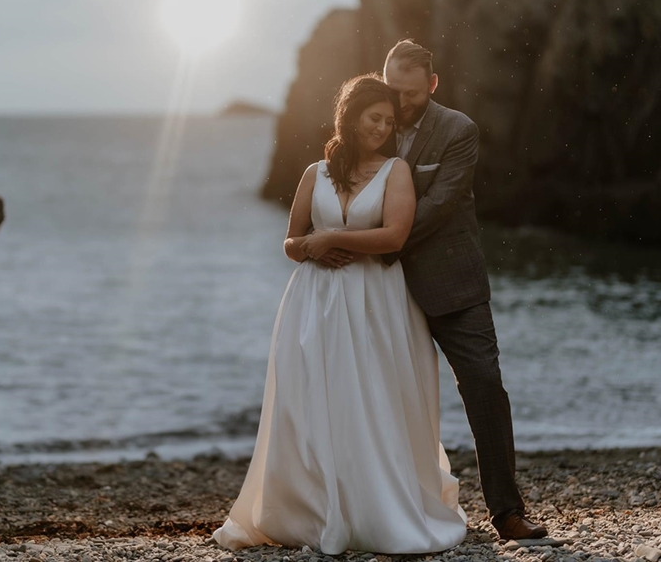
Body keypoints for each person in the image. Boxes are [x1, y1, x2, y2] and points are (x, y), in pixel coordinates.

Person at [212, 75, 467, 555]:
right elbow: (291, 243)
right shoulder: (315, 173)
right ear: (350, 118)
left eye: (389, 122)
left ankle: (374, 507)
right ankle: (311, 507)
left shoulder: (396, 171)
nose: (382, 128)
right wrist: (312, 248)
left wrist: (331, 239)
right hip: (314, 302)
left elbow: (394, 236)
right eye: (374, 118)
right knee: (312, 399)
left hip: (375, 304)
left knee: (370, 397)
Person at [373, 39, 548, 541]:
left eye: (409, 93)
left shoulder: (458, 130)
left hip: (453, 282)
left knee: (485, 388)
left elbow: (442, 203)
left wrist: (379, 245)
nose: (399, 103)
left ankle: (507, 512)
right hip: (382, 289)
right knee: (376, 395)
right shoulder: (372, 124)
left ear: (431, 85)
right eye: (391, 89)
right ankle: (385, 507)